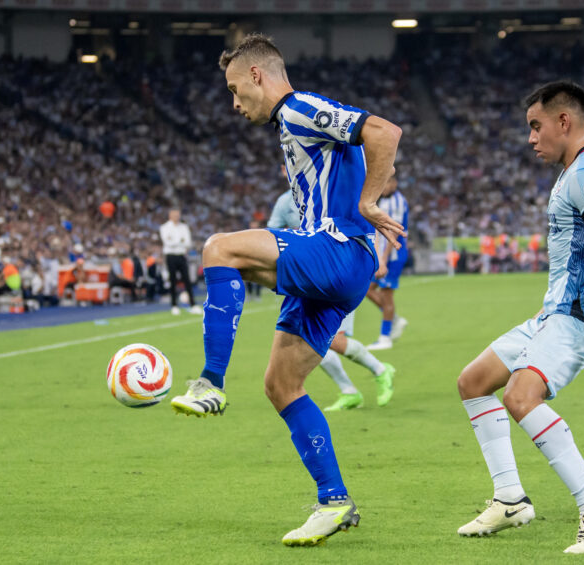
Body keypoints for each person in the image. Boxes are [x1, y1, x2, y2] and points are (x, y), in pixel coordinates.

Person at [168, 33, 403, 545]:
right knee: (281, 385)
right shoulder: (290, 125)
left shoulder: (299, 108)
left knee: (218, 248)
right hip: (336, 268)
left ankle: (209, 382)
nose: (234, 103)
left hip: (337, 249)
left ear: (257, 75)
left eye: (234, 89)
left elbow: (384, 131)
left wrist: (368, 201)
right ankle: (333, 500)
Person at [455, 81, 584, 554]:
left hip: (576, 319)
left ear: (565, 121)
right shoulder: (572, 171)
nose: (531, 138)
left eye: (536, 127)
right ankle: (511, 499)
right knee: (474, 381)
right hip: (550, 313)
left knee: (521, 396)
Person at [267, 177, 396, 411]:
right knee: (308, 338)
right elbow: (271, 234)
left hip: (340, 274)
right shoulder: (285, 202)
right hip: (307, 279)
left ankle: (380, 370)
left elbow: (368, 217)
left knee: (333, 339)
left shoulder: (332, 190)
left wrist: (376, 255)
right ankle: (349, 390)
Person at [366, 175, 410, 350]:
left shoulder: (398, 201)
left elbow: (396, 232)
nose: (384, 187)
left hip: (392, 255)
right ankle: (395, 319)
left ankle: (385, 338)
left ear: (394, 183)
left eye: (387, 183)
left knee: (386, 294)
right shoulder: (381, 201)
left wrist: (383, 259)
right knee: (367, 290)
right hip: (381, 254)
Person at [159, 208, 200, 315]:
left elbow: (188, 242)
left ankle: (193, 304)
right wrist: (180, 241)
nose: (177, 217)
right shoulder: (164, 227)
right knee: (172, 280)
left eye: (178, 215)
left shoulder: (184, 227)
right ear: (170, 215)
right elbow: (167, 242)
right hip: (170, 256)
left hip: (181, 255)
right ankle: (174, 305)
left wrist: (175, 241)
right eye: (174, 215)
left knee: (187, 280)